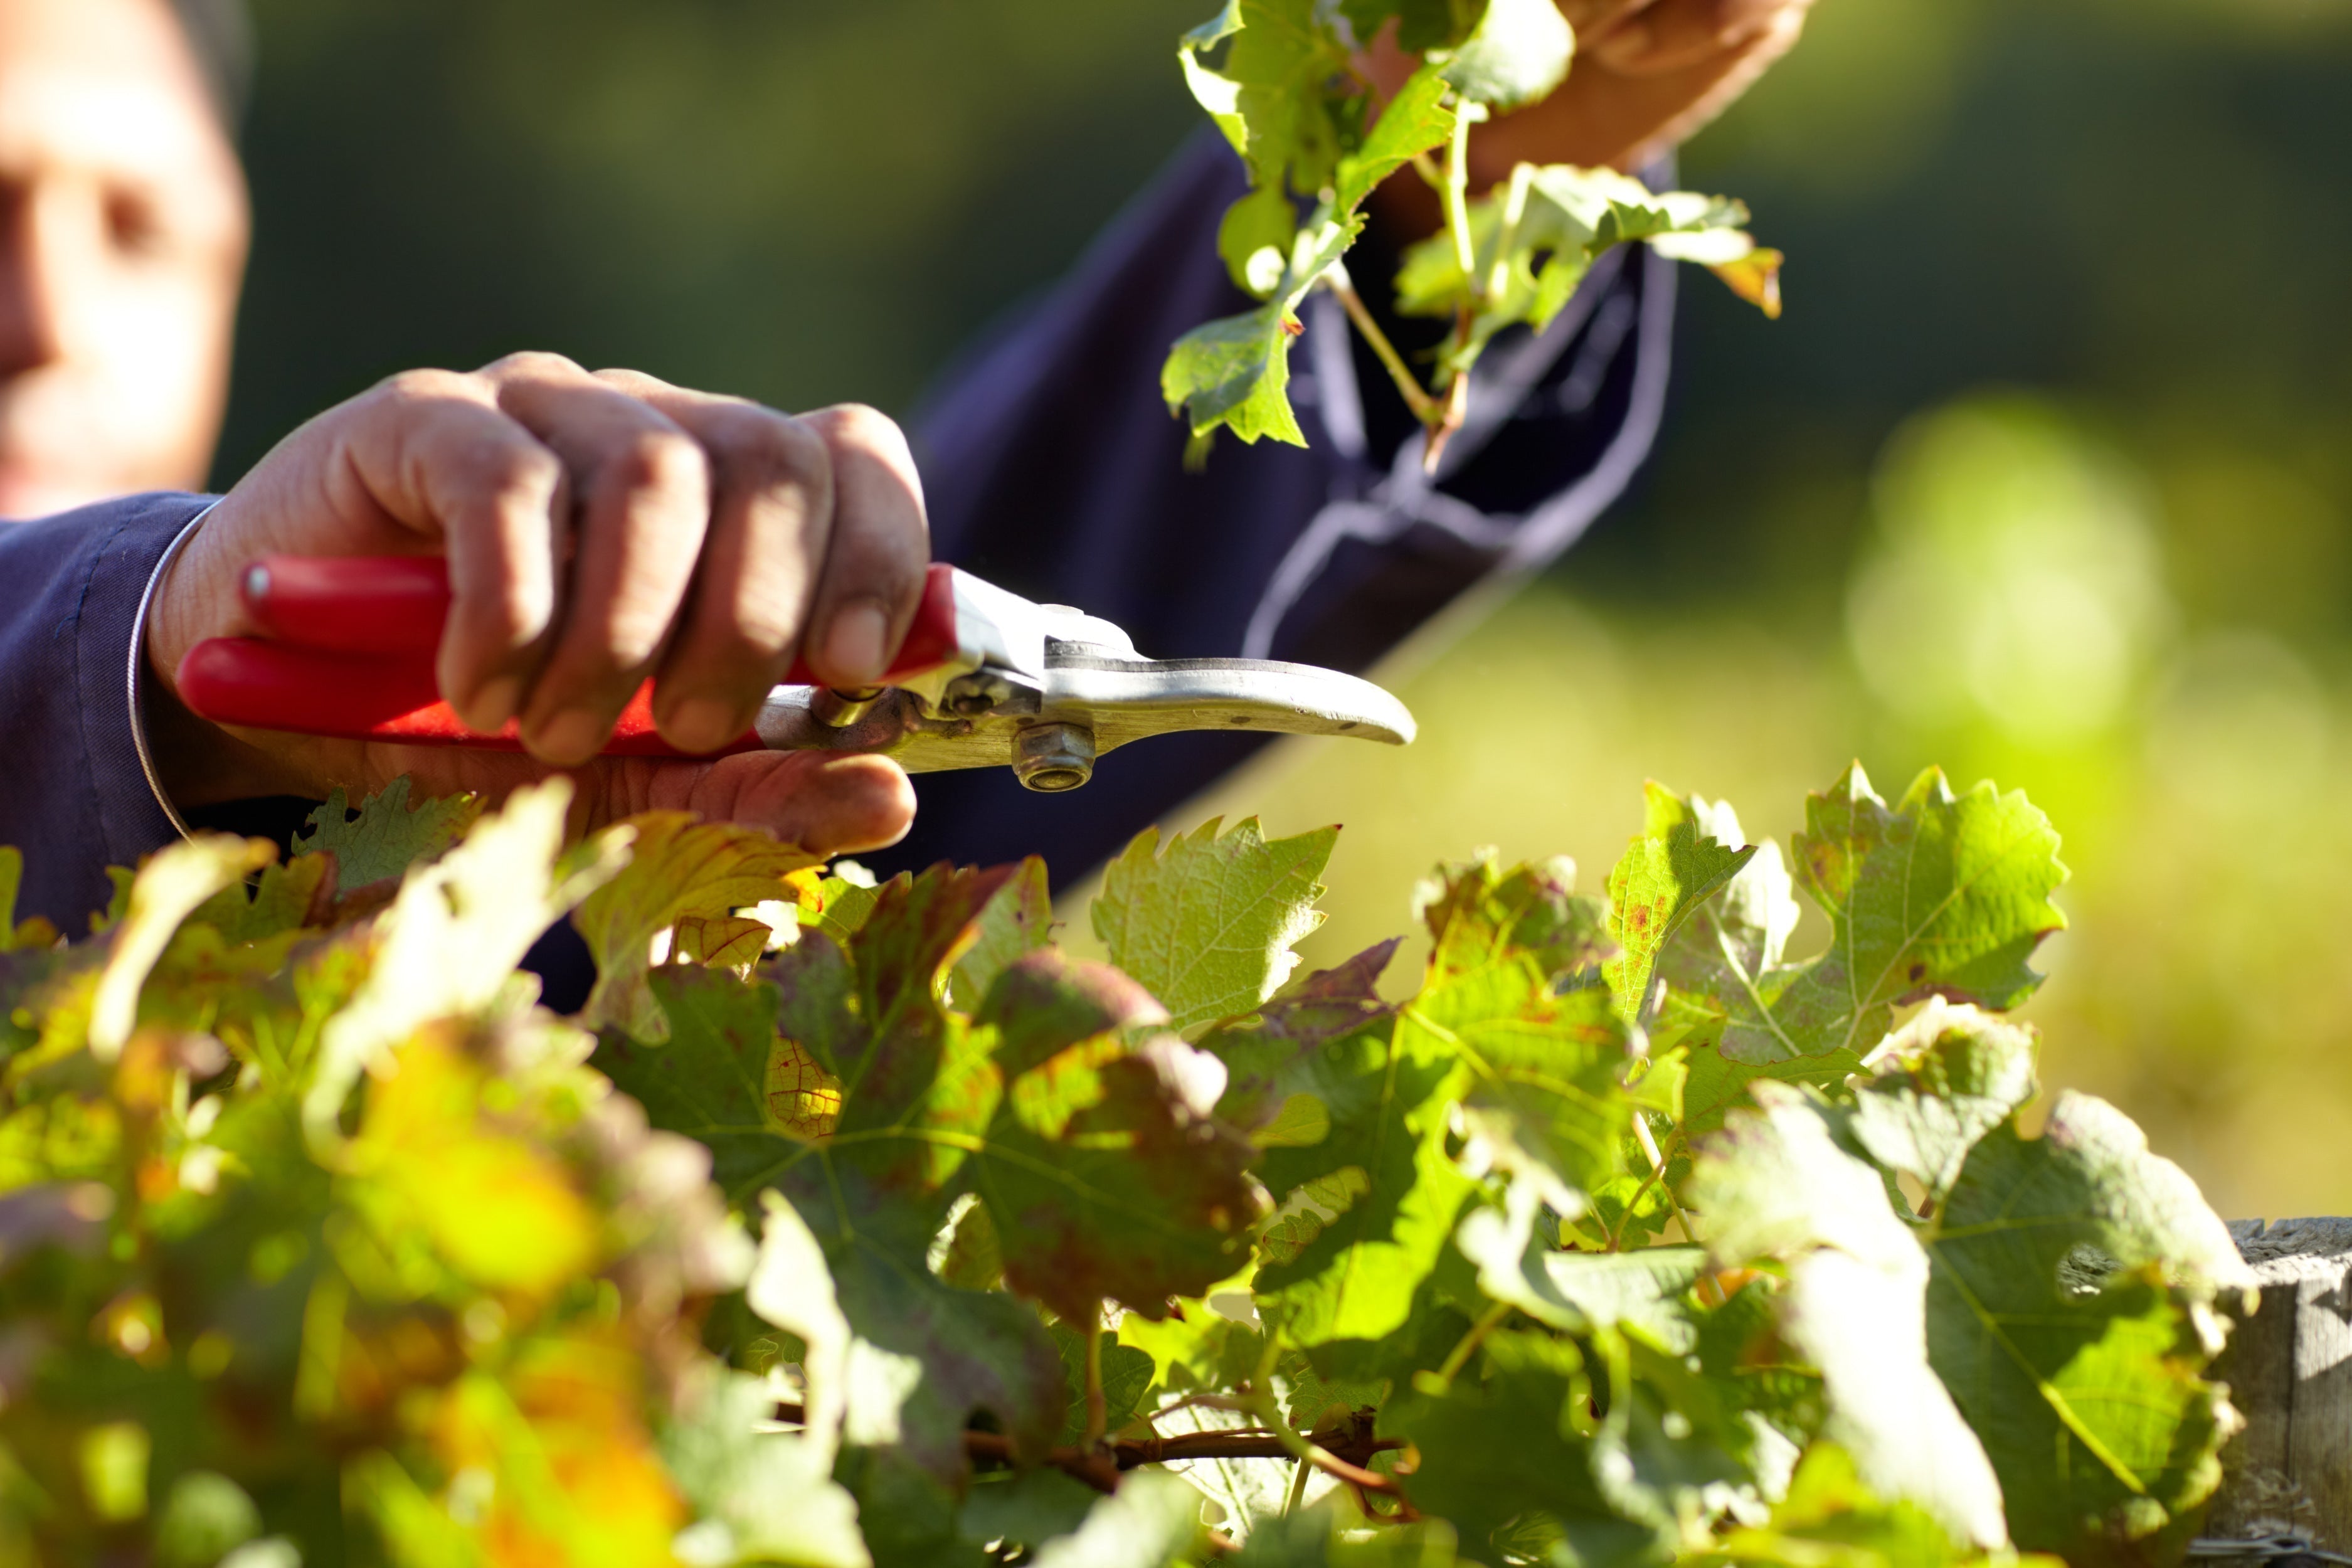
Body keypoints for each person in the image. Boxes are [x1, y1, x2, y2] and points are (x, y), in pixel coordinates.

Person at [0, 0, 1809, 931]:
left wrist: (1418, 181)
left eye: (146, 227)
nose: (54, 316)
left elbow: (940, 687)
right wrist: (139, 662)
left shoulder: (482, 865)